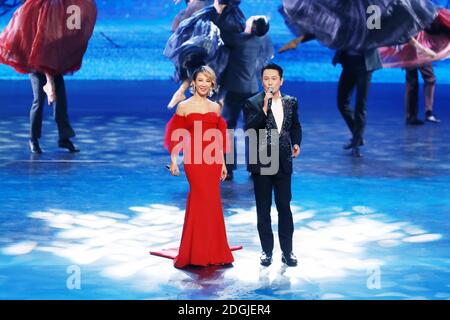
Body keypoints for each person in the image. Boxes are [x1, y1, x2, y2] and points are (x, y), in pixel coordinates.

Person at [0, 0, 97, 153]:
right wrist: (48, 80)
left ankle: (64, 138)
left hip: (53, 61)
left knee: (60, 101)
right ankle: (33, 138)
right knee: (39, 100)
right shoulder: (38, 8)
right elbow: (36, 41)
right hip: (35, 61)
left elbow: (71, 28)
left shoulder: (60, 8)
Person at [164, 66, 234, 268]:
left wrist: (222, 164)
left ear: (212, 84)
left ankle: (214, 251)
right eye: (200, 80)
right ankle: (195, 252)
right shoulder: (183, 107)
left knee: (212, 203)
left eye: (208, 80)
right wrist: (174, 161)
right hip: (194, 161)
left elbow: (219, 139)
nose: (204, 84)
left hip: (212, 161)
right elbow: (175, 136)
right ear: (193, 82)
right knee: (199, 199)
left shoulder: (215, 108)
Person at [243, 63, 302, 267]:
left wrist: (296, 142)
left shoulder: (291, 101)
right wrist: (264, 108)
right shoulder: (253, 102)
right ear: (262, 81)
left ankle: (287, 251)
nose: (270, 82)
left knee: (284, 208)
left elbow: (295, 125)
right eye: (266, 78)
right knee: (263, 209)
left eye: (274, 78)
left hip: (284, 162)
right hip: (262, 163)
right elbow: (249, 128)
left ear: (281, 80)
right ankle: (266, 251)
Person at [217, 14, 273, 180]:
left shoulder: (238, 40)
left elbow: (221, 33)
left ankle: (227, 167)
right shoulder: (262, 40)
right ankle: (256, 167)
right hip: (253, 90)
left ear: (251, 27)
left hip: (235, 90)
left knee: (228, 128)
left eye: (252, 18)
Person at [164, 0, 245, 109]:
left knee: (216, 70)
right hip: (213, 34)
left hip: (222, 42)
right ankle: (183, 92)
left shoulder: (230, 18)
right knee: (194, 58)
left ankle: (212, 104)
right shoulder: (207, 14)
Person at [334, 49, 383, 157]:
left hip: (365, 65)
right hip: (348, 63)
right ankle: (358, 137)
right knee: (342, 103)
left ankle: (356, 144)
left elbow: (381, 34)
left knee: (360, 106)